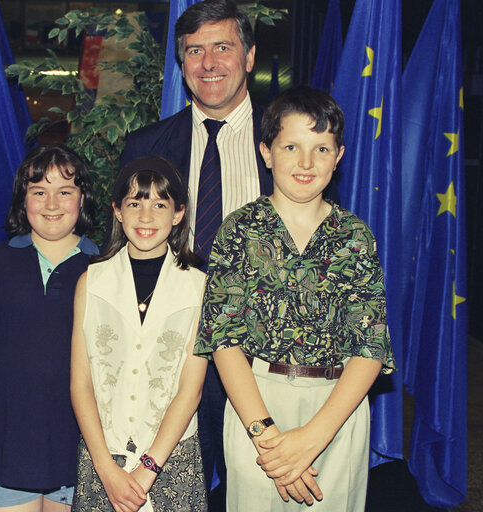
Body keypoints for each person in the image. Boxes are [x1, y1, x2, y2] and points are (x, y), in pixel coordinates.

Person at [195, 86, 397, 511]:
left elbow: (370, 347)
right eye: (291, 146)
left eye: (321, 148)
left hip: (337, 411)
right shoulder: (239, 229)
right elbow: (223, 339)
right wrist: (267, 435)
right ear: (266, 152)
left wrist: (312, 438)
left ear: (338, 157)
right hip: (256, 404)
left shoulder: (355, 236)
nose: (306, 163)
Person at [120, 0, 269, 496]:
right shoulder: (145, 147)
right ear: (181, 64)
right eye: (194, 51)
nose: (208, 63)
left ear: (249, 56)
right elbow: (121, 259)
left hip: (265, 360)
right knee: (174, 495)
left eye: (222, 47)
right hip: (168, 363)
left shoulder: (289, 142)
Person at [0, 145, 98, 512]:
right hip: (8, 437)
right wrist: (8, 391)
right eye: (39, 192)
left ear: (82, 199)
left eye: (64, 191)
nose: (52, 203)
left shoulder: (104, 267)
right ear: (23, 200)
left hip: (81, 436)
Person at [70, 156, 209, 512]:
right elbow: (80, 384)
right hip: (103, 459)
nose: (146, 217)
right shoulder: (92, 282)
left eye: (159, 204)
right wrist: (106, 468)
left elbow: (190, 391)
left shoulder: (198, 287)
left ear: (178, 213)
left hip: (171, 460)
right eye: (135, 203)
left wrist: (148, 470)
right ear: (117, 210)